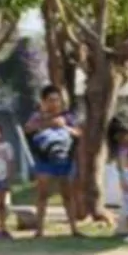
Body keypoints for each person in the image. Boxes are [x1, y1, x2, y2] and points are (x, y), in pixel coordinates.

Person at [25, 85, 83, 238]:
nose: (55, 103)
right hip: (44, 160)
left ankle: (74, 229)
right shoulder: (37, 116)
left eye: (57, 100)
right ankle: (39, 230)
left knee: (67, 195)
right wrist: (47, 123)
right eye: (51, 100)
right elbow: (28, 129)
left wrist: (64, 126)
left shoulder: (68, 117)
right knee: (42, 194)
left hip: (65, 159)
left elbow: (78, 133)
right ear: (44, 101)